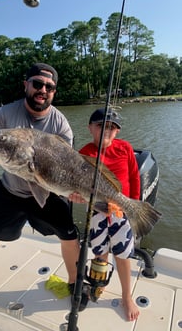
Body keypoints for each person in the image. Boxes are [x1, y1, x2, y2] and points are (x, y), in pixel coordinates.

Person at [0, 63, 80, 290]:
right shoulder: (4, 114)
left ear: (54, 91)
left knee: (69, 235)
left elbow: (69, 166)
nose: (43, 90)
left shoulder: (61, 124)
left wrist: (72, 190)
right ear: (26, 85)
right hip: (11, 189)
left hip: (48, 189)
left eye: (49, 86)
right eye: (37, 83)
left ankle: (74, 280)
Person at [69, 107, 140, 321]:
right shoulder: (84, 153)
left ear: (117, 131)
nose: (107, 130)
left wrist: (136, 205)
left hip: (121, 211)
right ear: (90, 128)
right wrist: (76, 197)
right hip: (97, 212)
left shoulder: (125, 148)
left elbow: (135, 178)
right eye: (101, 125)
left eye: (112, 127)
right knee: (100, 251)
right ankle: (100, 285)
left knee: (123, 255)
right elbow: (77, 185)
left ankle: (127, 296)